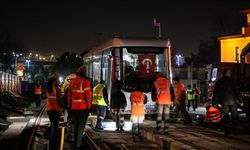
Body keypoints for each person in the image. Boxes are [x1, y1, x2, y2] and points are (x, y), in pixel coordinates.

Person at [212, 68, 243, 135]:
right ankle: (235, 131)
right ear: (226, 73)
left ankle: (227, 131)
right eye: (229, 72)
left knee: (226, 116)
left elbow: (216, 93)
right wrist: (241, 101)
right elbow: (236, 92)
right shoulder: (232, 81)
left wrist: (216, 103)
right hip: (232, 101)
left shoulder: (219, 82)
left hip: (224, 102)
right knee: (234, 116)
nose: (229, 73)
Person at [68, 66, 92, 148]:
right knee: (81, 126)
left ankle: (75, 141)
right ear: (84, 72)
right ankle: (78, 143)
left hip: (74, 107)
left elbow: (69, 95)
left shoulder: (72, 81)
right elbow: (88, 97)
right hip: (83, 107)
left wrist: (69, 105)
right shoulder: (85, 82)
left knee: (76, 125)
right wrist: (89, 107)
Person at [46, 75, 63, 150]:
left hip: (49, 109)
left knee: (52, 123)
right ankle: (54, 141)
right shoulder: (57, 88)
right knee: (55, 125)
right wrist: (62, 107)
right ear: (55, 81)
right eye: (57, 80)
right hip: (56, 109)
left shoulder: (49, 88)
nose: (59, 81)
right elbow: (59, 100)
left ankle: (50, 137)